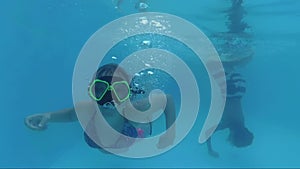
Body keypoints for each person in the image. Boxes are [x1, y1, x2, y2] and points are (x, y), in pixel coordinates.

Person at [25, 63, 176, 152]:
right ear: (91, 92)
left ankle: (145, 86)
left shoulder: (133, 109)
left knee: (142, 116)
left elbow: (167, 99)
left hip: (135, 128)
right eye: (100, 90)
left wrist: (170, 133)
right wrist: (47, 116)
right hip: (111, 144)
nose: (109, 100)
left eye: (119, 91)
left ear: (127, 94)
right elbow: (71, 115)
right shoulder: (88, 109)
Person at [205, 0, 254, 157]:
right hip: (229, 89)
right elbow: (207, 133)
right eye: (232, 140)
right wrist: (210, 150)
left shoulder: (240, 123)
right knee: (224, 55)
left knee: (235, 52)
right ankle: (236, 13)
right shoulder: (230, 123)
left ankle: (237, 16)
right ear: (233, 135)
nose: (229, 140)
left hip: (238, 89)